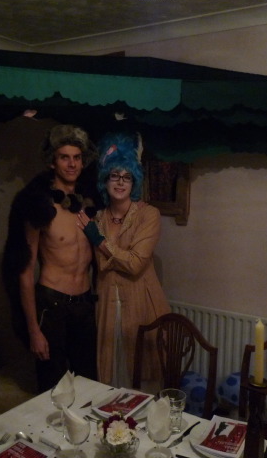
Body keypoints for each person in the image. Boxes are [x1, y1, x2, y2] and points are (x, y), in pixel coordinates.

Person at [2, 124, 100, 392]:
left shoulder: (88, 204)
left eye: (77, 157)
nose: (72, 164)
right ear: (52, 162)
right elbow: (24, 271)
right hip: (52, 304)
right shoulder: (39, 206)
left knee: (88, 385)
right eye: (64, 157)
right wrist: (33, 330)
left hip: (84, 303)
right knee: (52, 389)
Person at [77, 131, 170, 389]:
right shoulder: (97, 218)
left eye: (127, 176)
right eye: (114, 175)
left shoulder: (149, 215)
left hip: (142, 304)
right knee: (110, 376)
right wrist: (115, 253)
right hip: (107, 306)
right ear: (105, 179)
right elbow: (102, 265)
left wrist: (101, 242)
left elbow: (136, 263)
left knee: (143, 376)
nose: (120, 182)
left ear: (134, 181)